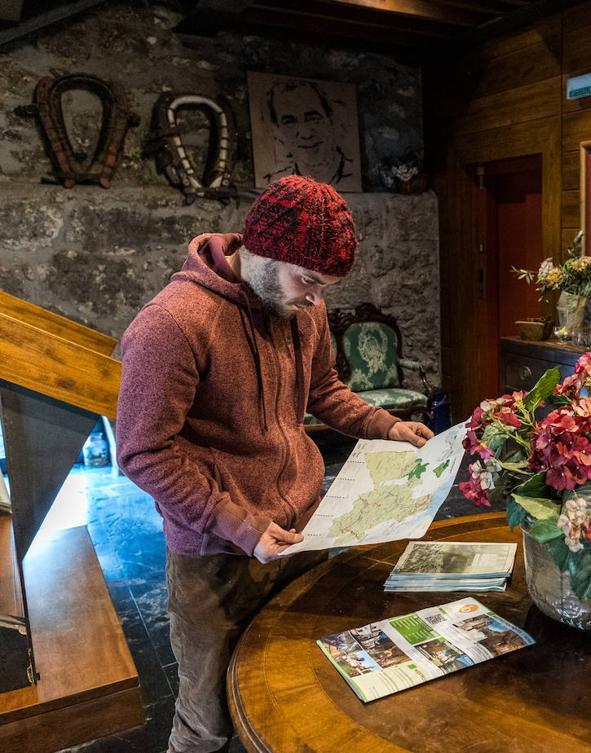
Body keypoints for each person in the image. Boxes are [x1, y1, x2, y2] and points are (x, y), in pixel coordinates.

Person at [116, 175, 432, 753]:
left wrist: (387, 426)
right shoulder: (173, 323)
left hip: (303, 534)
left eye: (325, 286)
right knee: (207, 720)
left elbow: (325, 390)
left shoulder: (301, 307)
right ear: (261, 249)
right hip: (217, 555)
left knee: (295, 688)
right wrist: (241, 524)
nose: (316, 299)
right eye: (308, 280)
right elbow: (142, 451)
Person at [263, 79, 354, 186]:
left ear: (331, 120)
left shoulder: (354, 173)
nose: (306, 134)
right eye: (289, 122)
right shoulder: (274, 184)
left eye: (313, 119)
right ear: (277, 131)